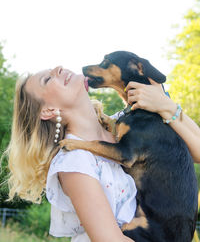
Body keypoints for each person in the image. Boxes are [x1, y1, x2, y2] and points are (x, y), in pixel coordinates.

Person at [6, 66, 200, 242]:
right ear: (48, 111)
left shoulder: (123, 126)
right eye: (47, 79)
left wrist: (166, 106)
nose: (57, 68)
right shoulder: (75, 162)